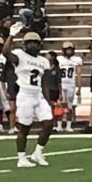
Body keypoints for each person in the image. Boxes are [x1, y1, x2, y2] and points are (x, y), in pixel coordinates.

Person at [5, 30, 54, 166]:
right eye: (29, 43)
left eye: (35, 43)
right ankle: (21, 158)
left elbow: (45, 83)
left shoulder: (44, 61)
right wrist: (11, 36)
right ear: (25, 44)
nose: (32, 45)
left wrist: (48, 101)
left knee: (49, 123)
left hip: (38, 95)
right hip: (25, 94)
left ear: (40, 45)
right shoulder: (20, 55)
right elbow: (6, 53)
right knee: (24, 128)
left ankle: (37, 153)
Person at [56, 43, 82, 130]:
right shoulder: (59, 59)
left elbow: (78, 74)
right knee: (59, 106)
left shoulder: (76, 59)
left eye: (70, 49)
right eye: (67, 49)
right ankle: (59, 125)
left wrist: (79, 87)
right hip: (61, 84)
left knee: (69, 106)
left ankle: (68, 126)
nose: (69, 51)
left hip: (71, 85)